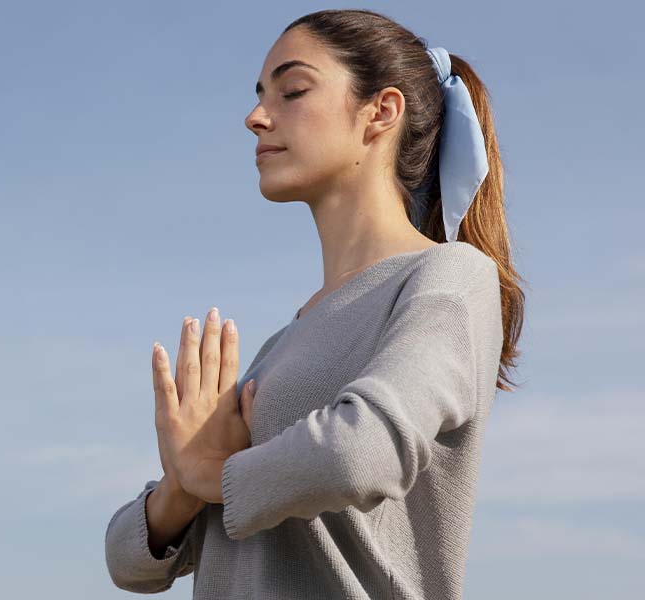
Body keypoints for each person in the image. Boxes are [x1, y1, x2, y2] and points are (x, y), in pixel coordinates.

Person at [105, 8, 525, 600]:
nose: (256, 117)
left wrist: (213, 475)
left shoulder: (448, 277)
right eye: (259, 95)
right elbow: (129, 563)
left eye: (293, 90)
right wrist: (182, 485)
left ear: (381, 111)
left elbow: (362, 452)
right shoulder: (281, 346)